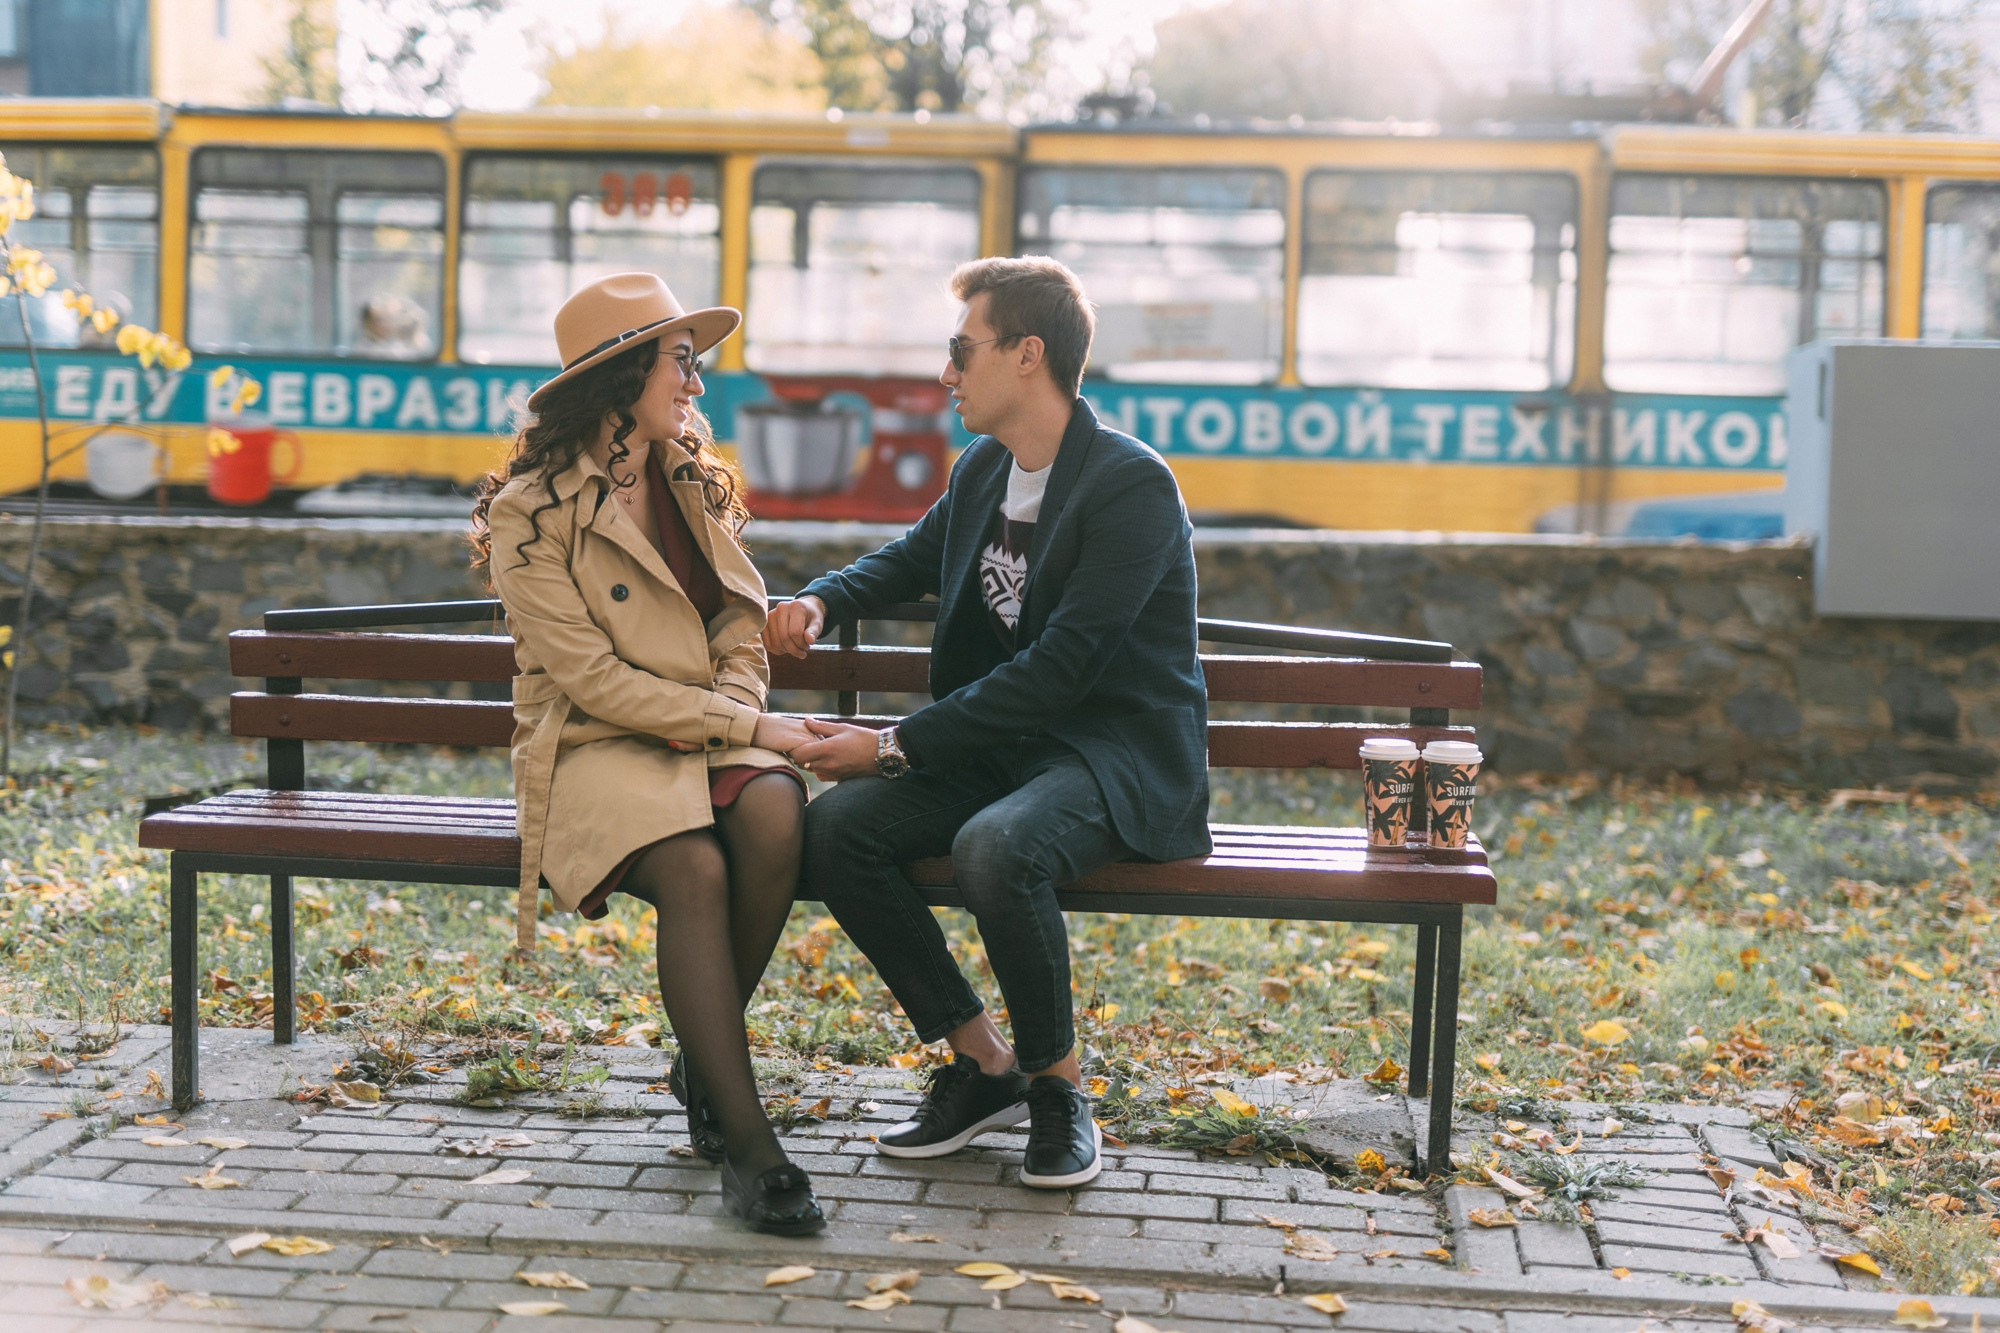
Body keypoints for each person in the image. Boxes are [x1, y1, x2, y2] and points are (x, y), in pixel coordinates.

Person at [771, 256, 1210, 1190]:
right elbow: (905, 559)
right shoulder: (985, 470)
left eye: (960, 350)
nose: (947, 373)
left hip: (1110, 754)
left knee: (997, 847)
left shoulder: (1129, 486)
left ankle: (1060, 1089)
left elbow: (1061, 673)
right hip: (1005, 752)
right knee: (835, 832)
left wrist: (891, 746)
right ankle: (986, 1066)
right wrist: (818, 602)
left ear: (1027, 355)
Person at [468, 271, 824, 1235]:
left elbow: (741, 630)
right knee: (696, 866)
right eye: (682, 363)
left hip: (703, 727)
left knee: (775, 809)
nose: (697, 387)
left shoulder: (689, 479)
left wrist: (741, 706)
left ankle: (703, 1061)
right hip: (592, 744)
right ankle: (751, 1148)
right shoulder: (530, 515)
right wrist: (752, 726)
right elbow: (594, 683)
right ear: (623, 374)